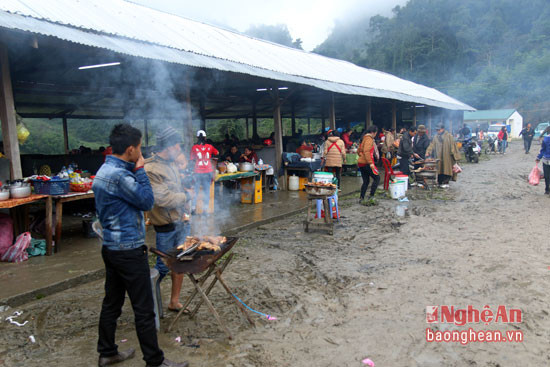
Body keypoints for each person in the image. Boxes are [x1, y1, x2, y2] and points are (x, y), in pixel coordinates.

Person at [92, 124, 188, 367]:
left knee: (111, 303)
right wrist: (141, 170)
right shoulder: (121, 176)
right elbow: (147, 201)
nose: (142, 153)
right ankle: (155, 362)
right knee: (144, 309)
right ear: (131, 149)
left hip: (111, 248)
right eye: (140, 148)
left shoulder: (104, 170)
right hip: (128, 249)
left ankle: (107, 352)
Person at [145, 126, 191, 313]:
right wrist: (187, 197)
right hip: (165, 226)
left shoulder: (171, 163)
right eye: (178, 146)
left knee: (179, 262)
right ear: (170, 146)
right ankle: (149, 304)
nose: (180, 150)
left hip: (181, 221)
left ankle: (174, 301)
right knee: (163, 268)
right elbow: (163, 199)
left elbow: (176, 189)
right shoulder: (151, 169)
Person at [190, 130, 218, 214]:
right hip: (208, 171)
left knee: (195, 190)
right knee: (206, 191)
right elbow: (217, 153)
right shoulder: (210, 146)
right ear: (205, 138)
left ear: (197, 138)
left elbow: (191, 160)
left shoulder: (194, 148)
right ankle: (205, 209)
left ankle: (193, 208)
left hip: (198, 171)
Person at [357, 125, 380, 201]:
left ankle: (362, 197)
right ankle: (371, 195)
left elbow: (359, 150)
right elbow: (367, 151)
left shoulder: (363, 138)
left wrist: (361, 156)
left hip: (361, 163)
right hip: (367, 163)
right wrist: (371, 163)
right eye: (376, 133)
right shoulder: (369, 139)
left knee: (366, 181)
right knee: (377, 178)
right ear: (373, 132)